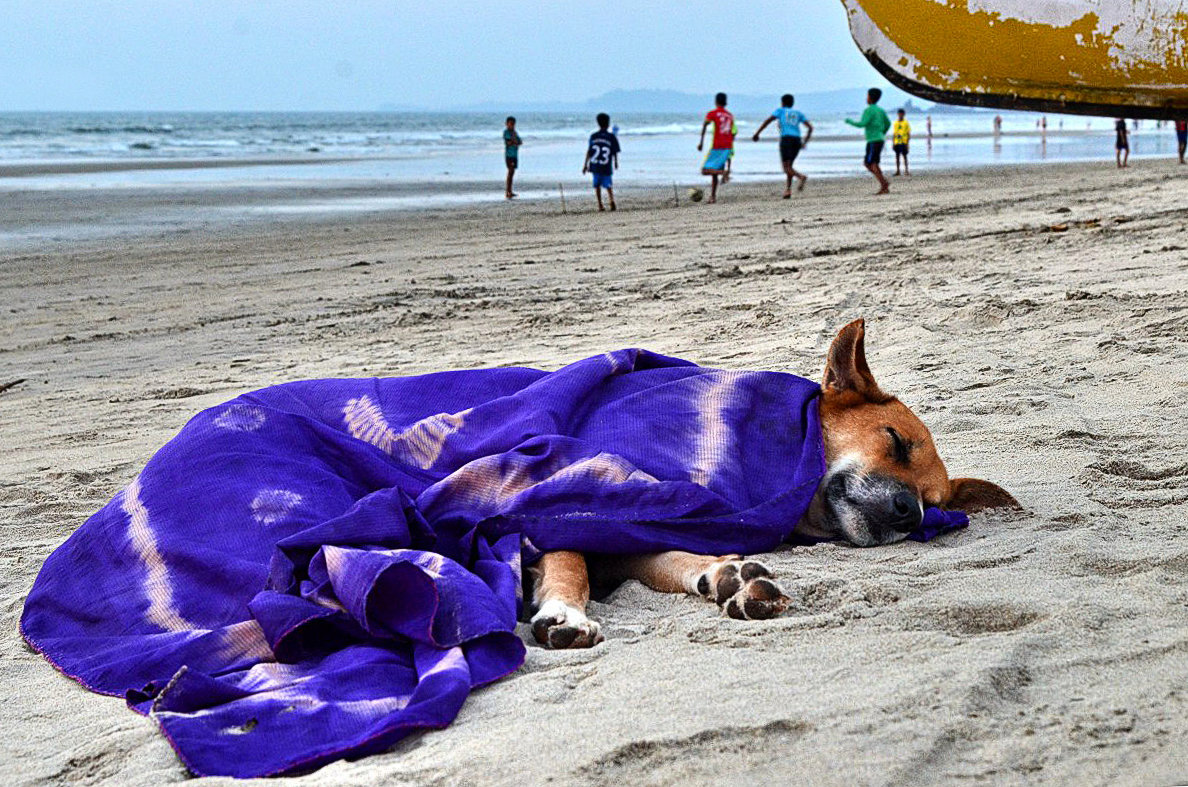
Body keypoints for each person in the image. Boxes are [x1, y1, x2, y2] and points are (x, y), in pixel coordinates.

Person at [752, 93, 813, 197]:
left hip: (786, 139)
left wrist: (757, 133)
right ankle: (788, 190)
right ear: (792, 103)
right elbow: (810, 128)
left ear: (782, 103)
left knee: (786, 167)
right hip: (797, 140)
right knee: (790, 166)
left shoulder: (780, 111)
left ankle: (801, 177)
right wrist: (804, 142)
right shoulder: (798, 113)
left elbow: (768, 121)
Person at [846, 87, 892, 194]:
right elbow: (888, 124)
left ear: (870, 98)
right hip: (877, 139)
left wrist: (849, 121)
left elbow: (862, 124)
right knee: (869, 163)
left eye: (867, 96)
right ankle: (884, 183)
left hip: (874, 140)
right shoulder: (881, 110)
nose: (866, 98)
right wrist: (882, 133)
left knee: (871, 163)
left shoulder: (869, 110)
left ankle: (884, 184)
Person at [697, 92, 734, 204]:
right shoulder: (729, 115)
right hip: (728, 146)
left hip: (718, 146)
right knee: (714, 173)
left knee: (705, 170)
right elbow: (731, 132)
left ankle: (724, 173)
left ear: (716, 101)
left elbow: (705, 125)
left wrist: (701, 142)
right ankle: (713, 197)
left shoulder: (712, 113)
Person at [582, 112, 621, 211]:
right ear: (608, 124)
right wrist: (616, 162)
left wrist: (585, 165)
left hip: (595, 165)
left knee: (597, 185)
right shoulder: (611, 136)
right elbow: (615, 151)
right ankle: (611, 200)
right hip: (606, 165)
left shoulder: (594, 136)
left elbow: (589, 151)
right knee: (608, 184)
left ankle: (600, 204)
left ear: (598, 123)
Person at [503, 117, 522, 199]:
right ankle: (508, 191)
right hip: (509, 155)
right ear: (507, 124)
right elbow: (508, 142)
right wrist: (514, 141)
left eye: (513, 124)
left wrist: (514, 141)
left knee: (512, 173)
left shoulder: (514, 133)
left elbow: (520, 142)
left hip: (515, 155)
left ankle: (510, 191)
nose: (512, 126)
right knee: (510, 172)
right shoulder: (506, 132)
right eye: (510, 124)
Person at [892, 108, 911, 176]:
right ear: (898, 114)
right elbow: (894, 133)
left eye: (902, 114)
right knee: (897, 156)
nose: (900, 115)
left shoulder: (906, 123)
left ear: (904, 114)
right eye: (899, 114)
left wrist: (907, 143)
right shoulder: (896, 123)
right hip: (897, 142)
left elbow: (908, 133)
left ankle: (906, 170)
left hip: (904, 142)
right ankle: (898, 171)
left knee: (904, 156)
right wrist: (893, 143)